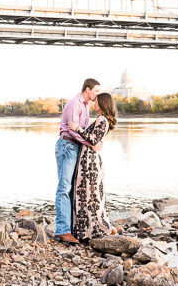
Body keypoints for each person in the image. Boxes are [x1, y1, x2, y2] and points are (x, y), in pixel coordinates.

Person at [55, 78, 102, 244]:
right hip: (67, 145)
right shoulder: (75, 104)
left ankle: (71, 228)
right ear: (87, 90)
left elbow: (82, 130)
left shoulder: (85, 106)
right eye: (96, 90)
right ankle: (62, 230)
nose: (98, 94)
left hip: (74, 147)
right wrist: (92, 144)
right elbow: (73, 130)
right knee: (64, 188)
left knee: (72, 188)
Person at [68, 92, 118, 241]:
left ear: (103, 103)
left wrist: (78, 129)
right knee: (87, 193)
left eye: (96, 102)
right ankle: (85, 230)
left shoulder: (102, 119)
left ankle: (93, 229)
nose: (94, 103)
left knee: (91, 194)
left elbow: (94, 140)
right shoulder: (101, 119)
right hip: (88, 159)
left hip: (90, 162)